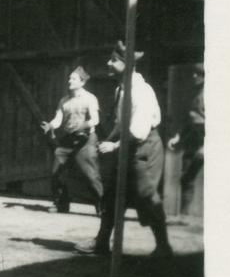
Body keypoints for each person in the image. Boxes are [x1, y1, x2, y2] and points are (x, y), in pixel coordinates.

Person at [75, 41, 173, 257]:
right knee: (111, 195)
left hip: (144, 147)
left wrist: (115, 145)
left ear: (127, 64)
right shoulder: (122, 88)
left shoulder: (141, 92)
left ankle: (164, 247)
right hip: (129, 143)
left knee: (146, 196)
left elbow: (138, 131)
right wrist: (108, 139)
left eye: (113, 60)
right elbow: (123, 123)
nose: (108, 63)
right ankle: (101, 243)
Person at [39, 66, 103, 214]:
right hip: (68, 140)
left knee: (91, 175)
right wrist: (50, 125)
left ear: (82, 82)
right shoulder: (64, 100)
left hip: (86, 140)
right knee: (57, 172)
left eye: (73, 78)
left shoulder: (90, 98)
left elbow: (96, 120)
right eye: (69, 78)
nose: (69, 81)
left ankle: (102, 206)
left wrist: (83, 126)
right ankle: (61, 204)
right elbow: (58, 120)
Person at [167, 63, 204, 215]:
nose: (195, 76)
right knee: (186, 178)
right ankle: (183, 216)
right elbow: (189, 119)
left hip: (204, 139)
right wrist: (178, 136)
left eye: (199, 73)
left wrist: (206, 145)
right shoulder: (193, 93)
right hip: (192, 138)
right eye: (194, 73)